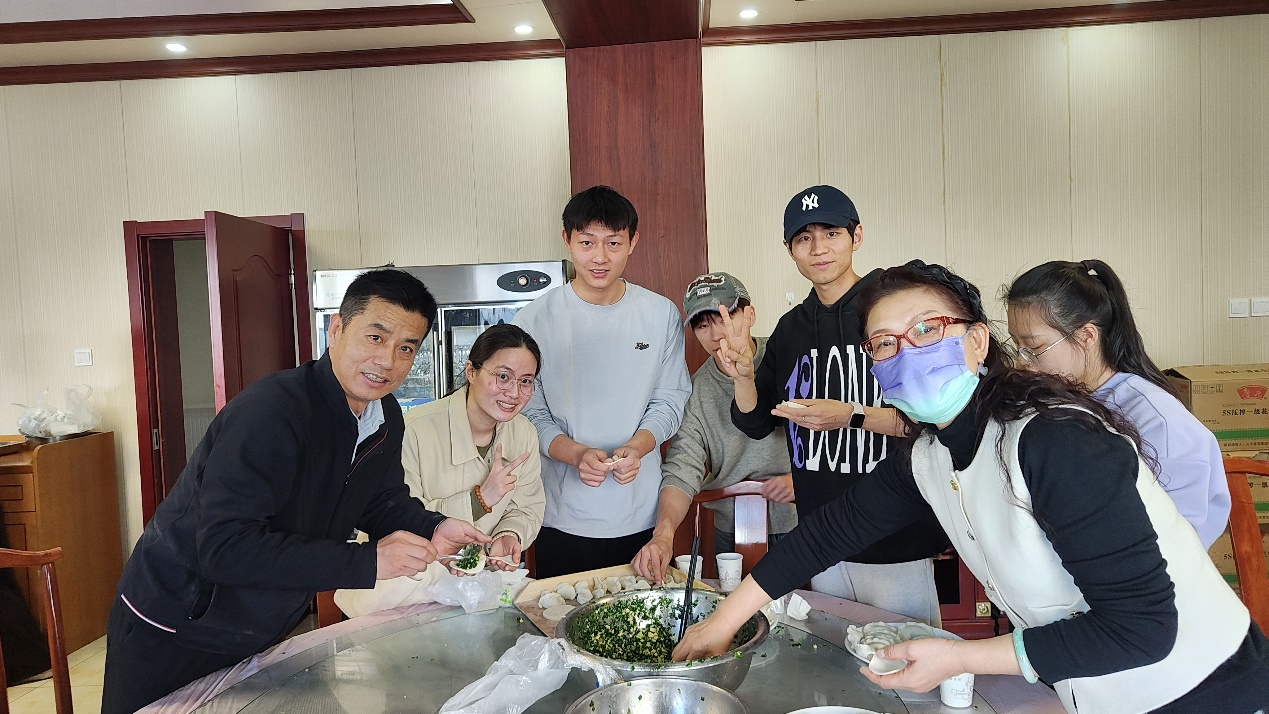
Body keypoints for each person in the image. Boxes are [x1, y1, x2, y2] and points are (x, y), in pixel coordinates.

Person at [676, 260, 1269, 714]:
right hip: (1097, 694)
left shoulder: (1056, 439)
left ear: (977, 341)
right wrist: (724, 623)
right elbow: (828, 532)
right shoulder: (929, 453)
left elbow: (1142, 628)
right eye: (885, 343)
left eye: (927, 330)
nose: (906, 352)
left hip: (1208, 689)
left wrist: (959, 656)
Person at [102, 269, 490, 714]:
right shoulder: (271, 412)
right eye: (375, 337)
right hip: (173, 625)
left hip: (259, 627)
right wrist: (366, 561)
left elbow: (378, 500)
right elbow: (225, 549)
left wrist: (433, 527)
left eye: (406, 348)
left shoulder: (384, 416)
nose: (388, 360)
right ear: (337, 329)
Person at [718, 184, 947, 624]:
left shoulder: (893, 311)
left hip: (896, 530)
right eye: (804, 238)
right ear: (789, 250)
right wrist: (743, 376)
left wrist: (851, 415)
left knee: (909, 653)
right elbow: (755, 422)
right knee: (836, 649)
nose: (818, 248)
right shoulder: (792, 328)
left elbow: (932, 421)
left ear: (856, 236)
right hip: (822, 536)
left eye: (831, 233)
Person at [512, 185, 691, 578]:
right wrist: (575, 454)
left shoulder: (660, 314)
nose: (599, 257)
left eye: (613, 243)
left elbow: (670, 400)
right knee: (564, 613)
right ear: (567, 240)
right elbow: (528, 412)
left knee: (641, 615)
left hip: (642, 514)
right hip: (560, 516)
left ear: (632, 242)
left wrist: (638, 447)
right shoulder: (533, 321)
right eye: (586, 242)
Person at [1005, 259, 1230, 548]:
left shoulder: (1159, 422)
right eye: (1017, 346)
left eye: (1034, 348)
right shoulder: (1057, 401)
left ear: (1086, 336)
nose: (1022, 362)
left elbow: (1178, 544)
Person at [334, 324, 546, 616]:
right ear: (471, 371)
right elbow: (394, 518)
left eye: (525, 381)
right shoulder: (415, 429)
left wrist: (509, 534)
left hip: (471, 592)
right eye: (503, 376)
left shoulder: (523, 433)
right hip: (401, 592)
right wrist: (479, 499)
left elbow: (526, 506)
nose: (514, 392)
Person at [630, 272, 796, 584]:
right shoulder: (695, 392)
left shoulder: (790, 358)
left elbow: (829, 438)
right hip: (730, 527)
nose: (716, 333)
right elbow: (683, 467)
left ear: (750, 314)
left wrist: (801, 481)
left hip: (802, 517)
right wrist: (663, 533)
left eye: (725, 317)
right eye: (702, 325)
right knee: (730, 607)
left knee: (804, 609)